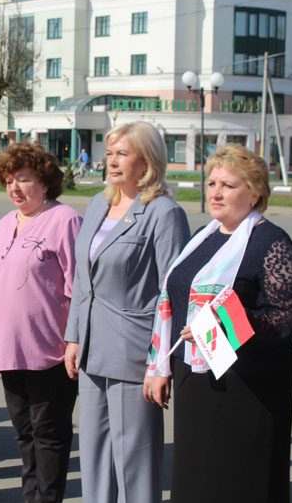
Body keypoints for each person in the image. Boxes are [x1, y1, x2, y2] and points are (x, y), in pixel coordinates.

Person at [145, 144, 292, 503]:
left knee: (236, 483)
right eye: (212, 183)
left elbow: (290, 313)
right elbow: (173, 300)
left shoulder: (270, 241)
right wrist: (159, 366)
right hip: (196, 381)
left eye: (228, 185)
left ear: (255, 193)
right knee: (197, 482)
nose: (216, 193)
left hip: (246, 387)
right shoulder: (203, 236)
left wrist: (222, 325)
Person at [64, 122, 190, 503]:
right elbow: (82, 279)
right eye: (109, 153)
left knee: (135, 463)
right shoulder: (97, 203)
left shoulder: (164, 213)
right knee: (94, 458)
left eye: (122, 154)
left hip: (133, 355)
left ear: (146, 162)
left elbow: (173, 293)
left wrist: (161, 363)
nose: (112, 161)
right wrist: (73, 336)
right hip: (91, 349)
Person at [0, 143, 82, 502]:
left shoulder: (65, 220)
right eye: (9, 180)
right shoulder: (6, 223)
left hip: (49, 351)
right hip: (9, 350)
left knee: (48, 434)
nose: (14, 188)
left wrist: (75, 340)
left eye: (23, 179)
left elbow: (80, 287)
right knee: (25, 434)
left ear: (45, 181)